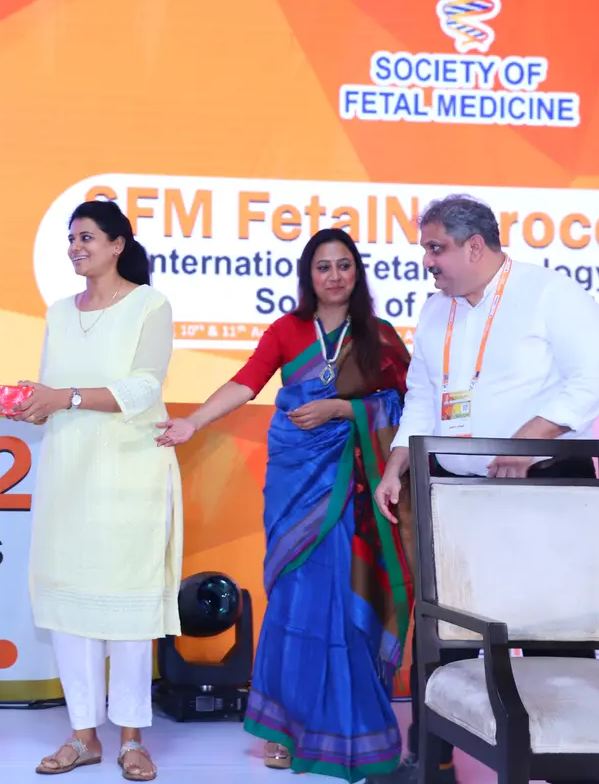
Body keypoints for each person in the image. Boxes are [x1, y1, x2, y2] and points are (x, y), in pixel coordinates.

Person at [369, 194, 599, 784]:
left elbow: (593, 380)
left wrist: (525, 442)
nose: (427, 262)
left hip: (543, 488)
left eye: (436, 248)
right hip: (456, 492)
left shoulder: (550, 293)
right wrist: (396, 464)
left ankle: (570, 769)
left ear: (475, 246)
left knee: (556, 633)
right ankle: (431, 762)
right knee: (446, 630)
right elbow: (424, 396)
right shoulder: (436, 310)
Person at [156, 227, 414, 783]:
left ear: (357, 272)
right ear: (308, 275)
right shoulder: (286, 330)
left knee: (345, 600)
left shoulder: (378, 337)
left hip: (353, 489)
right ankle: (285, 729)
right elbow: (247, 382)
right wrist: (193, 421)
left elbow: (409, 406)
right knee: (294, 603)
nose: (334, 276)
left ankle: (345, 726)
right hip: (295, 482)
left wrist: (343, 411)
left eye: (344, 265)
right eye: (323, 267)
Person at [14, 198, 182, 782]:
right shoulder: (60, 312)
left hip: (131, 474)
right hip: (68, 471)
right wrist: (33, 403)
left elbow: (143, 388)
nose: (75, 247)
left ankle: (132, 738)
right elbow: (53, 389)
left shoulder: (150, 304)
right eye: (71, 237)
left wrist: (65, 397)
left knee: (128, 603)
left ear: (117, 245)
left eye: (87, 237)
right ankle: (82, 735)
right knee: (71, 603)